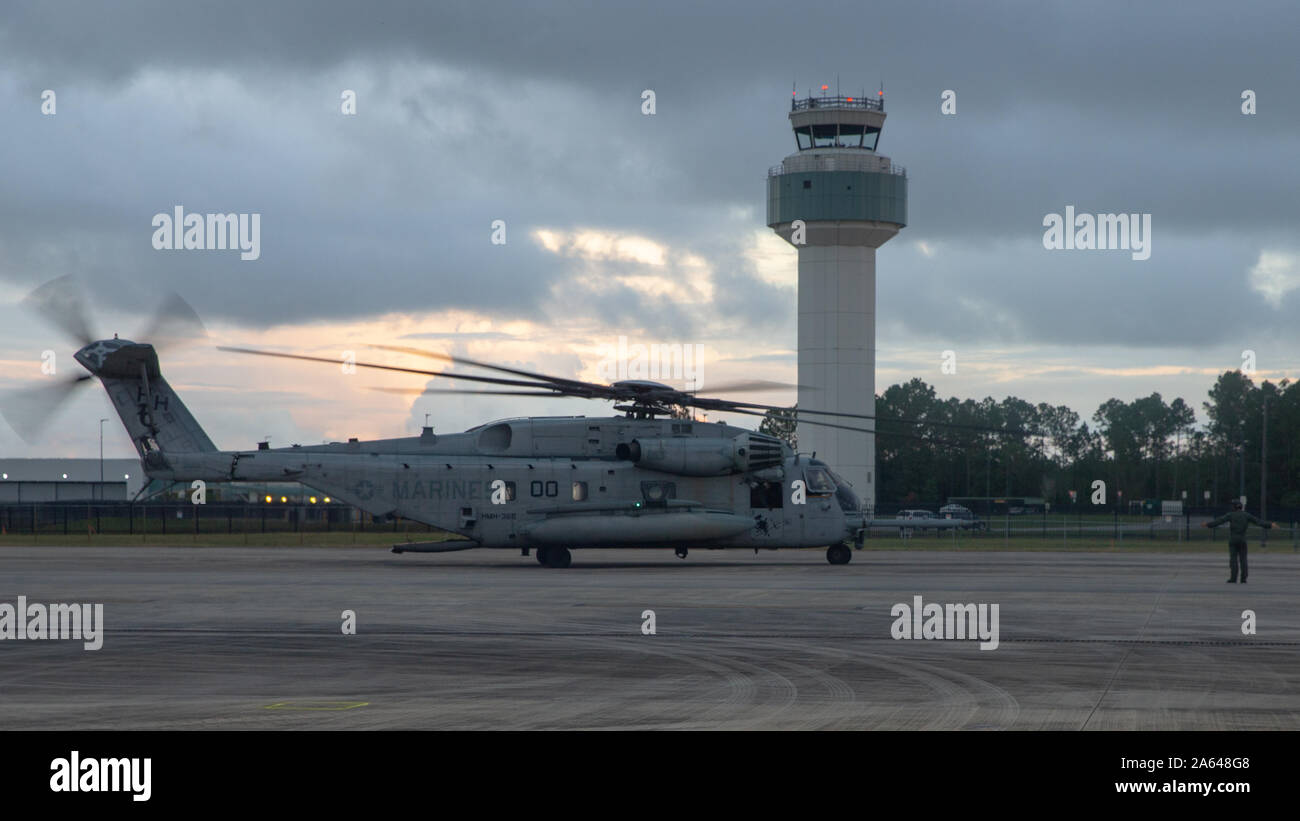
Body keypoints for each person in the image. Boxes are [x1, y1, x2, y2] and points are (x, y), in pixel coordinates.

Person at [1203, 500, 1273, 583]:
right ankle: (1243, 578)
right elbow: (1258, 522)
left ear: (1234, 507)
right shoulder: (1246, 515)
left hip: (1233, 540)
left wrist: (1207, 525)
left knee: (1233, 560)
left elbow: (1219, 521)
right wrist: (1270, 525)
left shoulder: (1230, 515)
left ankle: (1233, 578)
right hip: (1242, 540)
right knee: (1243, 560)